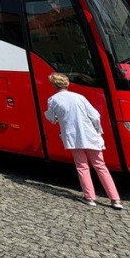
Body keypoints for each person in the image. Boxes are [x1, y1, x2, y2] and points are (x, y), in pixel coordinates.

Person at [43, 73, 123, 209]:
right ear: (67, 84)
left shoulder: (53, 100)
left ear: (53, 85)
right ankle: (115, 199)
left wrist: (54, 118)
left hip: (73, 137)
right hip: (90, 135)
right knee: (101, 166)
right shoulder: (80, 97)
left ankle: (90, 197)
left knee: (82, 166)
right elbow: (95, 116)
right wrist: (98, 131)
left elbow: (51, 117)